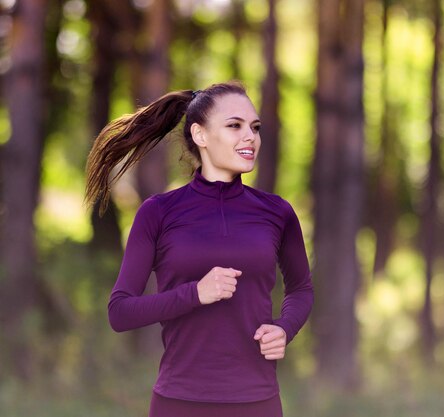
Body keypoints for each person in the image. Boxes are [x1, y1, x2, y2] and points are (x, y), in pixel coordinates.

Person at [84, 81, 314, 417]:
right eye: (234, 126)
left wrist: (285, 327)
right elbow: (120, 312)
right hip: (179, 402)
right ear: (200, 135)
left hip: (257, 402)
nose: (250, 136)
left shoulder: (277, 212)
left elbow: (301, 288)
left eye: (255, 127)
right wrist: (195, 294)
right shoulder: (159, 212)